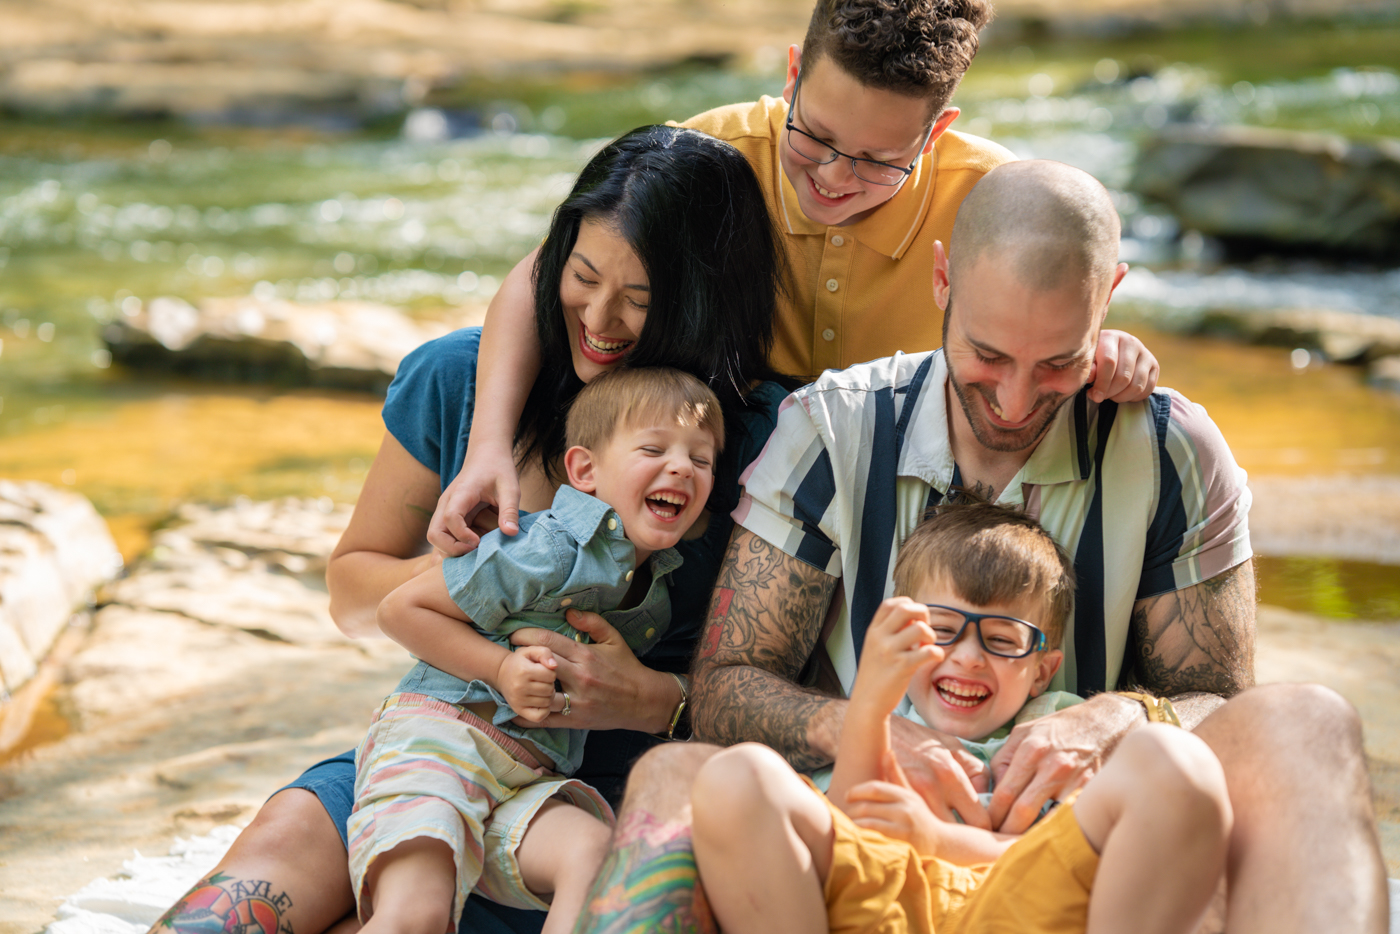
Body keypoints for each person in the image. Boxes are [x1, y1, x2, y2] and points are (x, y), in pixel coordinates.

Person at [571, 160, 1389, 934]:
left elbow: (1222, 704)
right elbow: (724, 688)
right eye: (988, 355)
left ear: (1109, 301)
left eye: (1059, 362)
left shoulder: (1171, 449)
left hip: (1084, 856)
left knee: (1306, 722)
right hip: (866, 849)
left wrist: (1111, 719)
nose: (1015, 398)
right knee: (673, 778)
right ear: (942, 284)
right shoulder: (833, 430)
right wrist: (865, 730)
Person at [148, 125, 795, 934]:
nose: (600, 319)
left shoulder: (763, 442)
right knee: (232, 908)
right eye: (583, 277)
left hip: (601, 808)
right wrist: (490, 580)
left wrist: (657, 701)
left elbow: (805, 690)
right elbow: (352, 593)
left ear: (703, 299)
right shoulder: (461, 377)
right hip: (441, 748)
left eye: (640, 299)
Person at [426, 0, 1162, 558]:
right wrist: (488, 443)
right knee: (458, 358)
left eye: (880, 159)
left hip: (890, 486)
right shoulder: (716, 152)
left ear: (936, 132)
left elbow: (1052, 326)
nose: (837, 178)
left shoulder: (993, 204)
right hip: (728, 452)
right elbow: (547, 275)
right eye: (815, 137)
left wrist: (1105, 348)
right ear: (791, 77)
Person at [689, 502, 1232, 934]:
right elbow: (853, 822)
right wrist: (872, 700)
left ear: (1043, 671)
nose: (968, 657)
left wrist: (938, 841)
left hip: (1018, 905)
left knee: (1175, 759)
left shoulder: (1062, 729)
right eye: (942, 629)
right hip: (884, 902)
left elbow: (1075, 850)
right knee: (735, 776)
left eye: (1000, 640)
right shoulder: (885, 713)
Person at [350, 367, 724, 934]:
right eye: (654, 448)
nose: (680, 467)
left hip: (526, 783)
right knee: (416, 913)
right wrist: (500, 668)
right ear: (585, 470)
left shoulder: (657, 593)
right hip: (442, 741)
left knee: (594, 854)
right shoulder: (546, 546)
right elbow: (401, 611)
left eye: (701, 460)